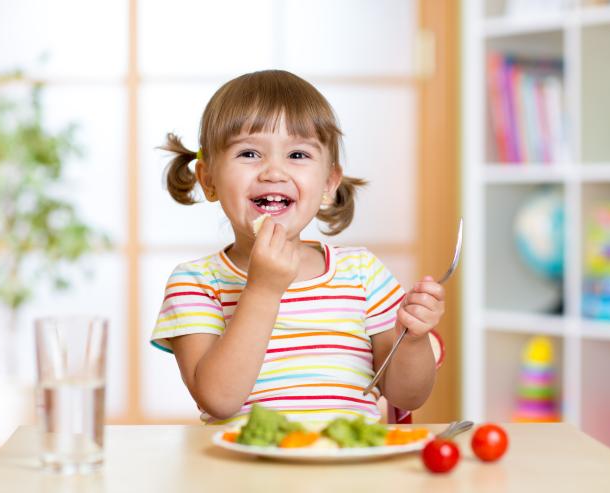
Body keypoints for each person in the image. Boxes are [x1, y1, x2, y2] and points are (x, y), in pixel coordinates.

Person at [150, 70, 445, 427]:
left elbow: (406, 396)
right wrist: (262, 289)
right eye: (248, 153)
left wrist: (413, 340)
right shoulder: (195, 283)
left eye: (298, 155)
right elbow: (218, 399)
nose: (274, 172)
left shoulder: (362, 273)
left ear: (328, 183)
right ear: (208, 180)